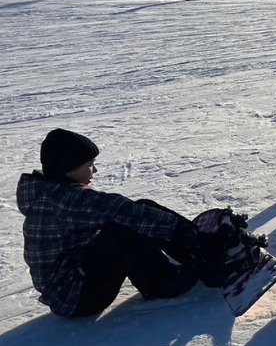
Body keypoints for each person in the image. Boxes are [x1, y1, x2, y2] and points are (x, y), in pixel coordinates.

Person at [16, 129, 207, 318]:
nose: (95, 170)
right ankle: (165, 281)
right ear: (69, 168)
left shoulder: (50, 193)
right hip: (76, 299)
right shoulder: (66, 199)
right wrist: (180, 228)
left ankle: (195, 252)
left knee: (131, 216)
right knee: (124, 227)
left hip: (68, 289)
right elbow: (121, 210)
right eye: (90, 165)